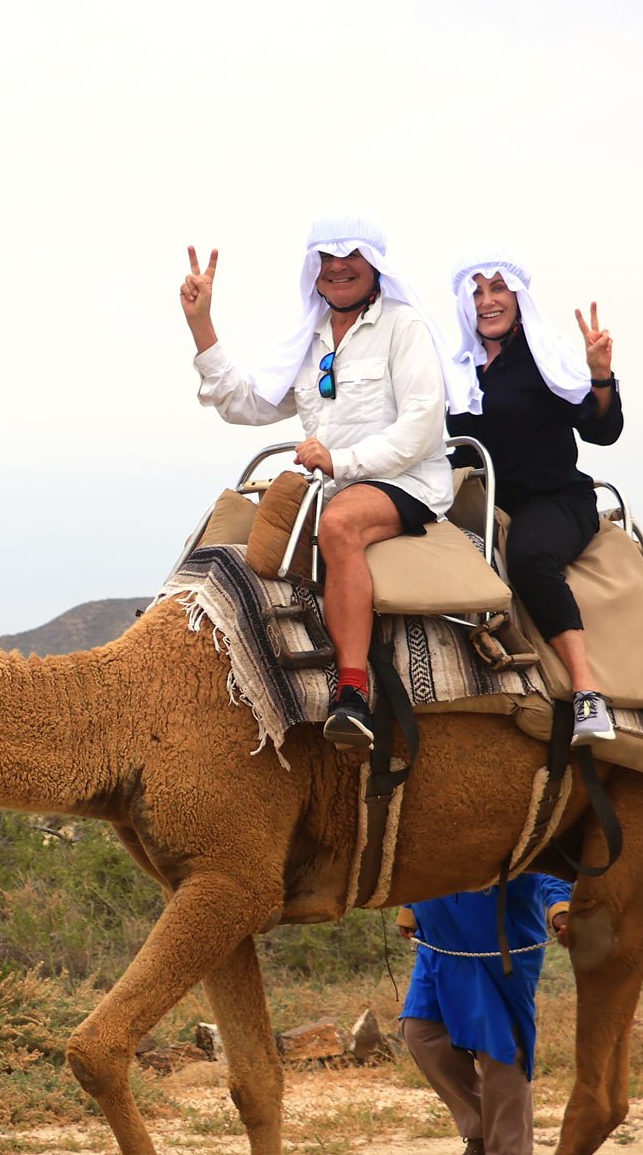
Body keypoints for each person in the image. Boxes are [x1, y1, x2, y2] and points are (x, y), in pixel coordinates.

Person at [181, 213, 462, 752]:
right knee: (229, 520)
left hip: (404, 479)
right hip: (331, 478)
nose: (337, 268)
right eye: (326, 258)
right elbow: (247, 403)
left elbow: (422, 427)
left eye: (350, 256)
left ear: (375, 264)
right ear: (313, 269)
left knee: (339, 525)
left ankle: (352, 692)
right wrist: (202, 325)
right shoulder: (308, 339)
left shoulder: (404, 328)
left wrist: (341, 460)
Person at [445, 252, 624, 745]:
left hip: (553, 501)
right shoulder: (458, 370)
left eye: (497, 288)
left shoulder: (545, 357)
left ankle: (588, 693)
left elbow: (602, 430)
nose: (487, 300)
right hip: (479, 505)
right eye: (477, 292)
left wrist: (599, 374)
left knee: (528, 556)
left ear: (518, 298)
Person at [397, 874, 571, 1155]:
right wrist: (410, 903)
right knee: (420, 1031)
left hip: (498, 952)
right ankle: (481, 1134)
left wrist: (560, 907)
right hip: (439, 946)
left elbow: (546, 861)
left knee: (500, 1049)